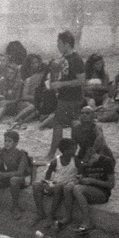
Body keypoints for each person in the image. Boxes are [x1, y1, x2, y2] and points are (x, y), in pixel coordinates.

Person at [45, 30, 86, 160]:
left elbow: (81, 80)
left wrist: (61, 85)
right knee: (74, 124)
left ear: (67, 44)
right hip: (66, 97)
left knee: (58, 124)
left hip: (71, 97)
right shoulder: (63, 59)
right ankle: (75, 152)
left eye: (59, 43)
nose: (57, 45)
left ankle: (51, 153)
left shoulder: (76, 59)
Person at [65, 137, 115, 234]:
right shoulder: (83, 164)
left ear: (92, 154)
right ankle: (67, 217)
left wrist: (92, 181)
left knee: (77, 189)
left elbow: (111, 184)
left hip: (102, 193)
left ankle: (87, 222)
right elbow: (81, 179)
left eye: (87, 161)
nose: (85, 164)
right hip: (88, 191)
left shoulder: (106, 161)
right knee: (70, 187)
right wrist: (80, 180)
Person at [0, 129, 32, 215]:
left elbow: (20, 172)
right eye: (5, 141)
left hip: (18, 179)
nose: (6, 143)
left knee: (14, 180)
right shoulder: (2, 151)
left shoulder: (21, 154)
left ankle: (15, 206)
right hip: (6, 177)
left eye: (9, 141)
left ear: (15, 143)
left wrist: (3, 175)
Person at [30, 137, 78, 230]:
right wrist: (48, 183)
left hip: (66, 188)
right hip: (56, 184)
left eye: (75, 149)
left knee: (59, 186)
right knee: (36, 185)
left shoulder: (75, 161)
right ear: (64, 151)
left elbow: (81, 174)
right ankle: (40, 213)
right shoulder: (56, 161)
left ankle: (51, 215)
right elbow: (48, 175)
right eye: (72, 149)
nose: (74, 151)